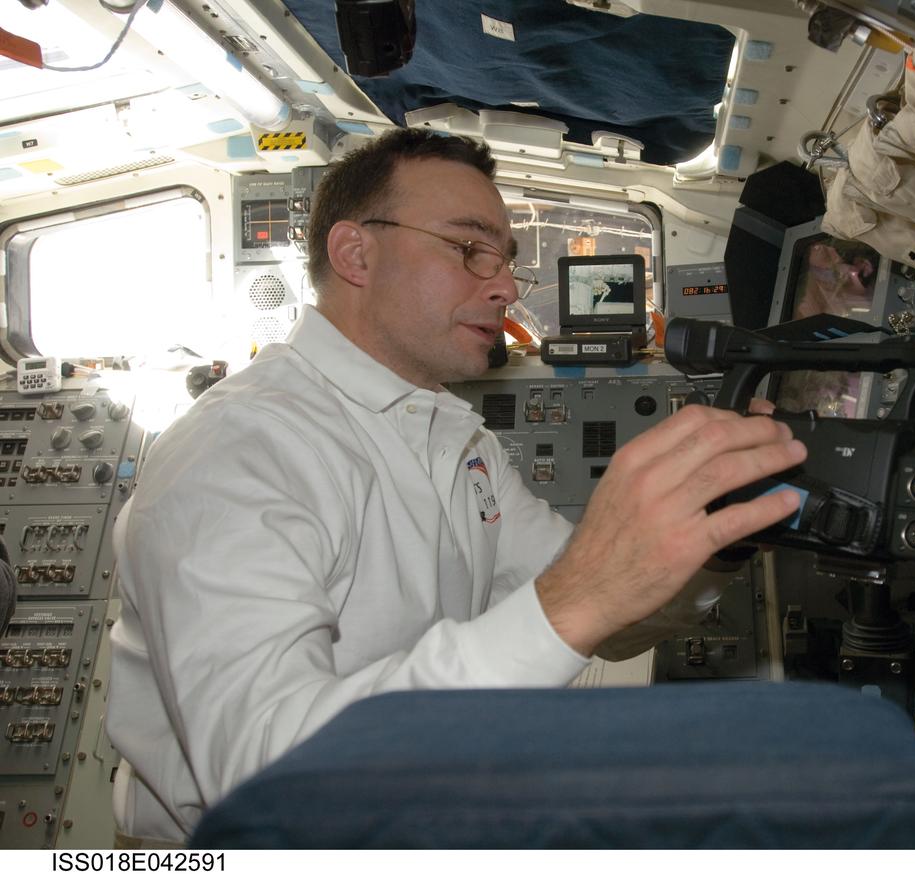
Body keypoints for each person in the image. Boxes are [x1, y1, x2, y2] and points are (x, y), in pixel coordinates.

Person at [105, 128, 805, 841]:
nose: (502, 285)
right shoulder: (238, 450)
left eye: (504, 260)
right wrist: (579, 595)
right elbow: (268, 785)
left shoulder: (452, 435)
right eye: (469, 249)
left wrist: (717, 536)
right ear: (356, 254)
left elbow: (604, 614)